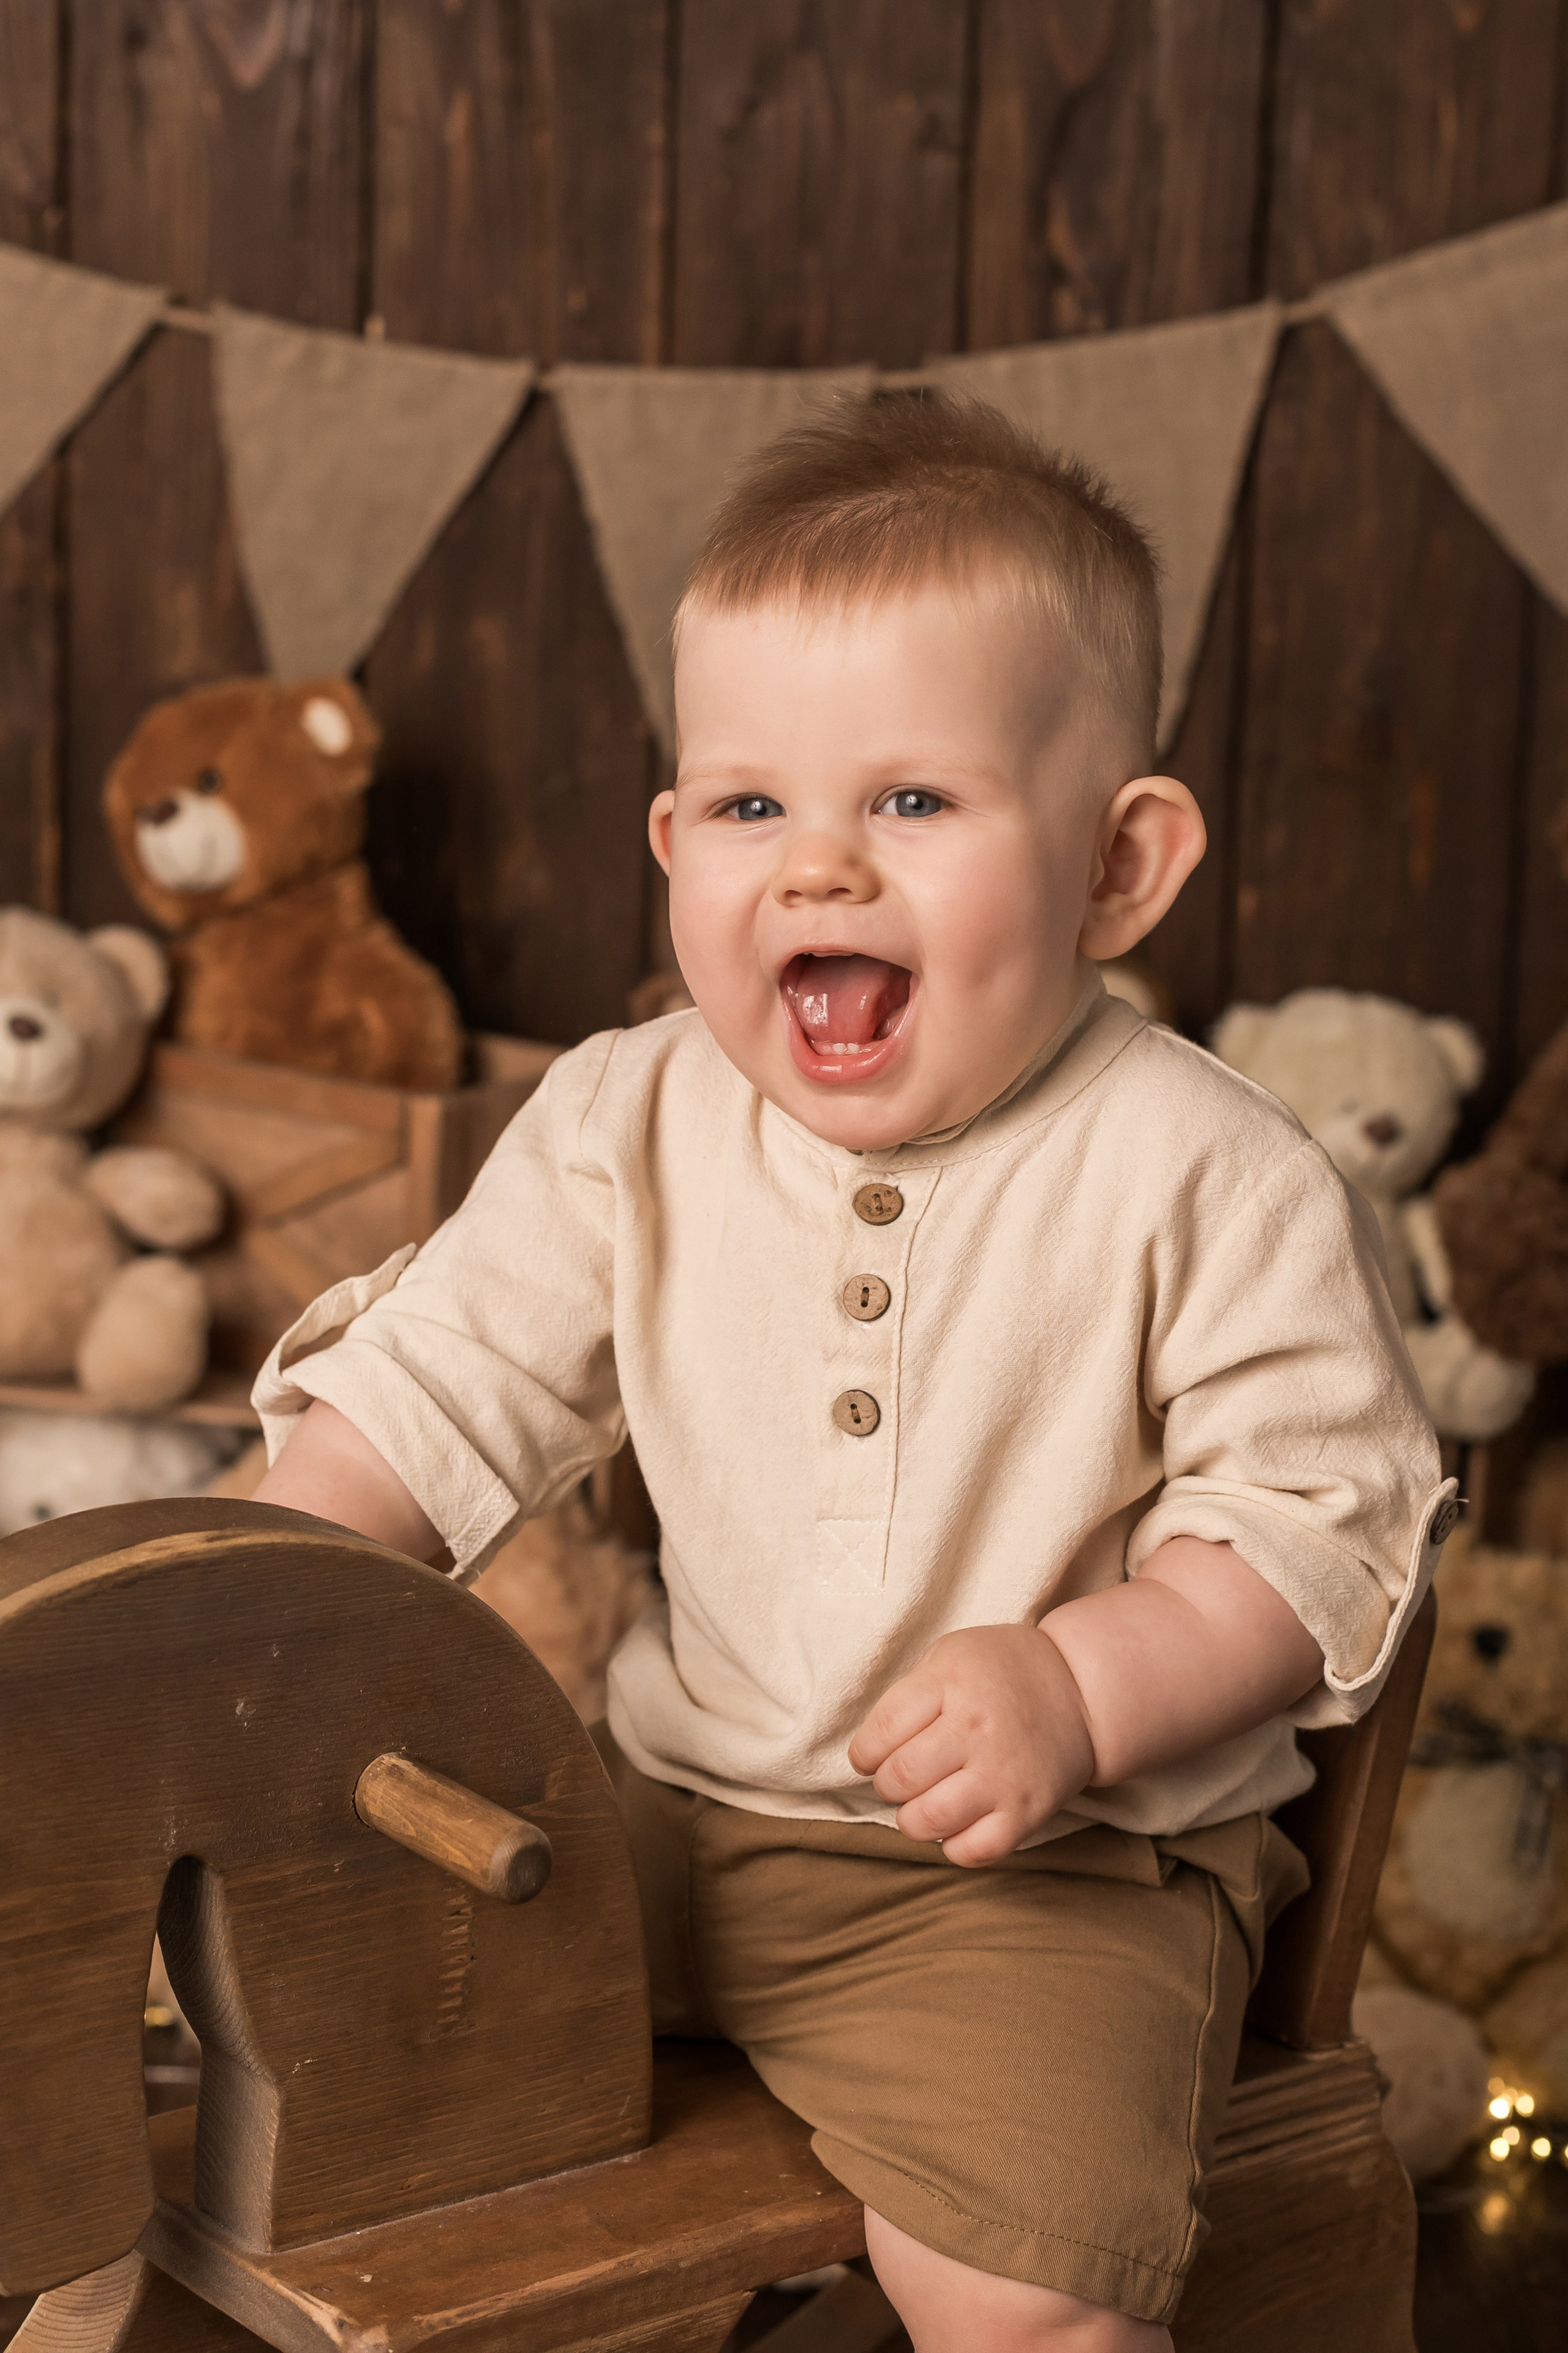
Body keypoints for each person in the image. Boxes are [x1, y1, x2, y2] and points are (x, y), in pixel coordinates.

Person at [252, 393, 1451, 2351]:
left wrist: (1080, 1682)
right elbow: (437, 1388)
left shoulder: (1203, 1165)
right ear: (670, 845)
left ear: (1118, 866)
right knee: (355, 2044)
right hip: (667, 1809)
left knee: (1019, 2288)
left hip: (1041, 1875)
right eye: (748, 808)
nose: (815, 871)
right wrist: (256, 1592)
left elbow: (1313, 1521)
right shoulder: (623, 1120)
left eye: (910, 802)